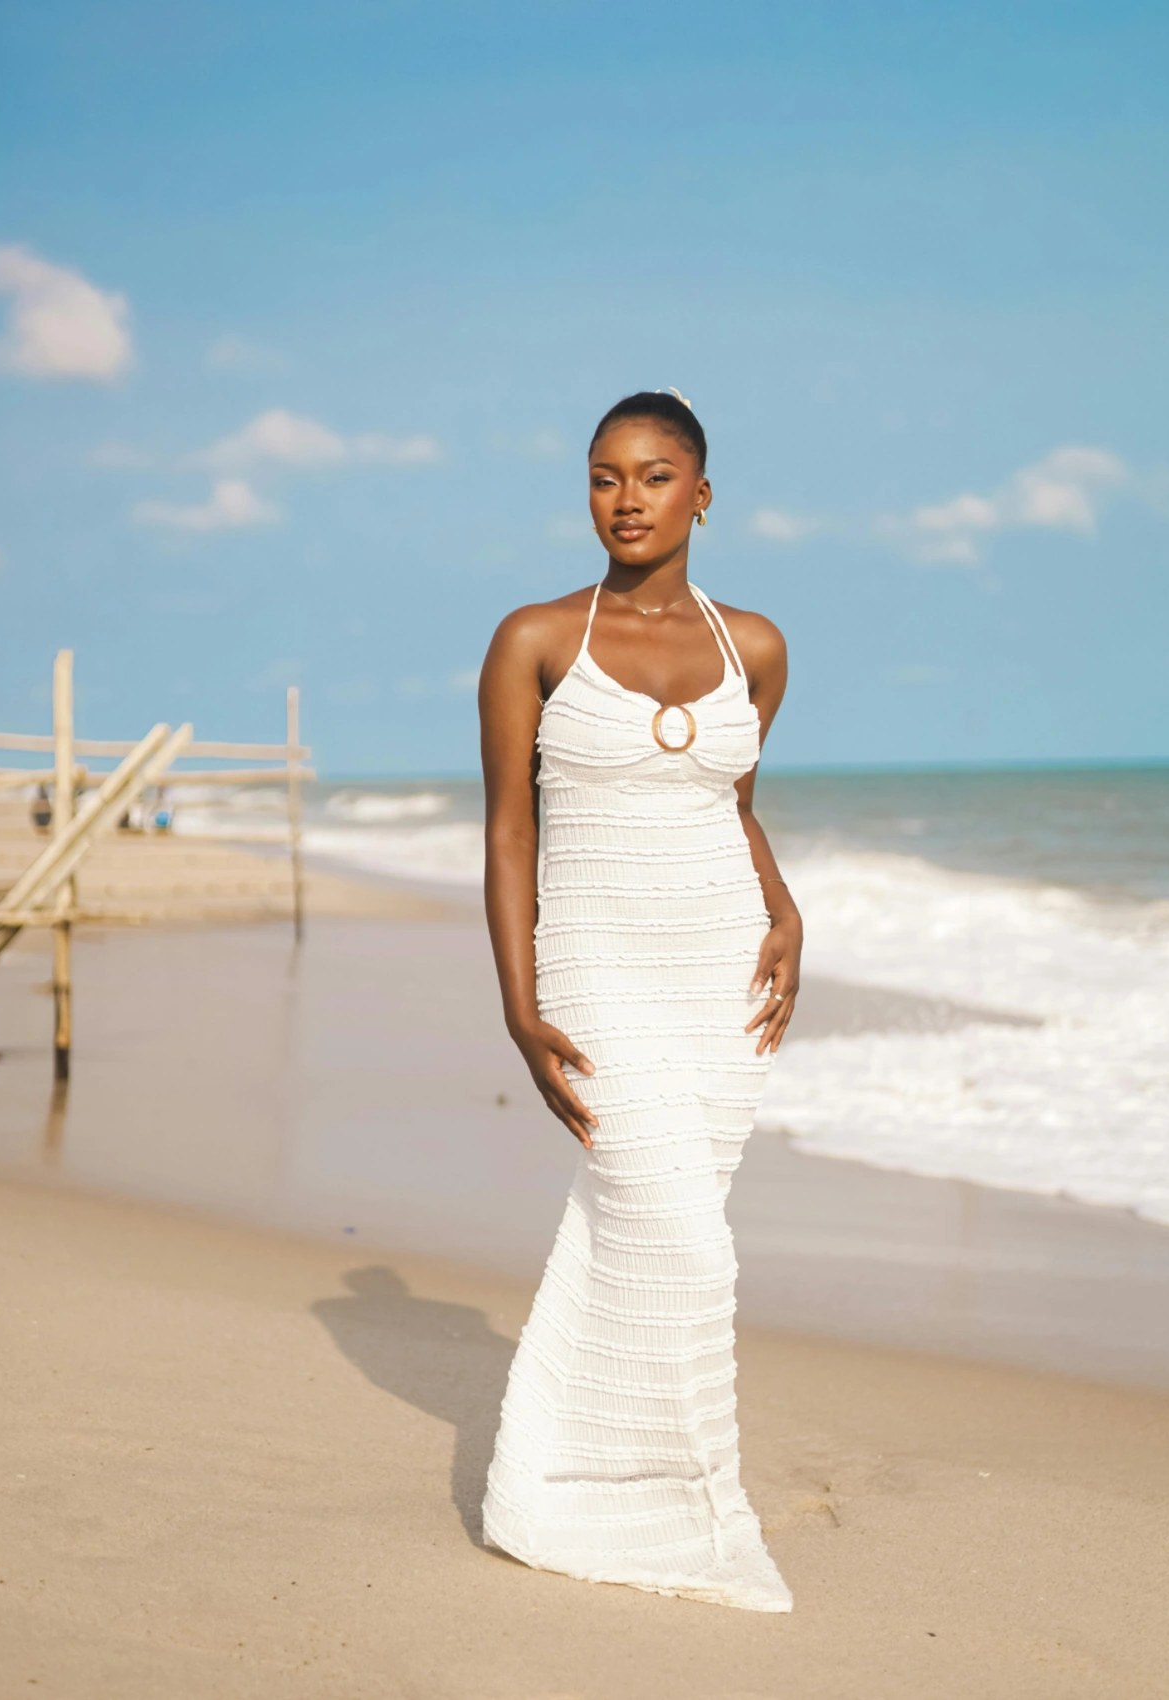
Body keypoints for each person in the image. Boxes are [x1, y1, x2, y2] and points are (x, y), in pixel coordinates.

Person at [478, 390, 802, 1611]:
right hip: (597, 964)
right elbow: (512, 831)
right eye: (605, 476)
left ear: (700, 495)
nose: (626, 498)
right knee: (678, 1236)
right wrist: (519, 1001)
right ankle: (689, 1506)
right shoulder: (533, 639)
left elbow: (732, 803)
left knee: (655, 1231)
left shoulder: (753, 647)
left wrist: (787, 908)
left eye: (654, 476)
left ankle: (572, 1470)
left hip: (720, 960)